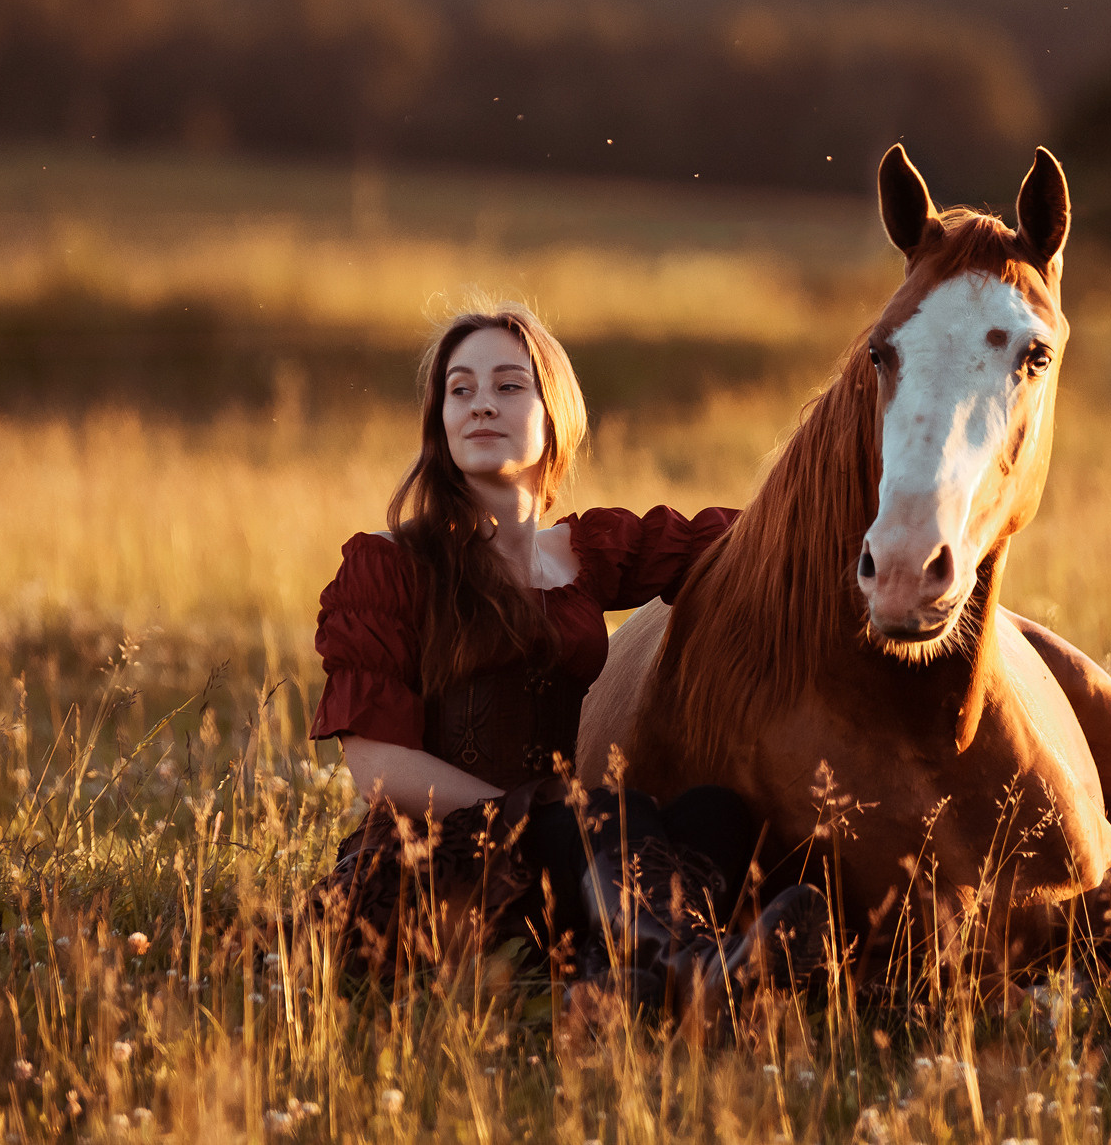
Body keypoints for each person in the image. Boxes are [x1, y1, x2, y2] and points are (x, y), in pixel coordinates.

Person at [306, 302, 825, 1007]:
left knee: (717, 813)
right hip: (439, 859)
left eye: (508, 385)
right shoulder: (390, 563)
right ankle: (692, 970)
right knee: (608, 815)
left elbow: (747, 542)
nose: (481, 404)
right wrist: (540, 814)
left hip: (565, 844)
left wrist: (867, 523)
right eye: (460, 390)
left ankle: (616, 978)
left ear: (555, 416)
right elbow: (377, 769)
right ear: (439, 423)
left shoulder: (588, 553)